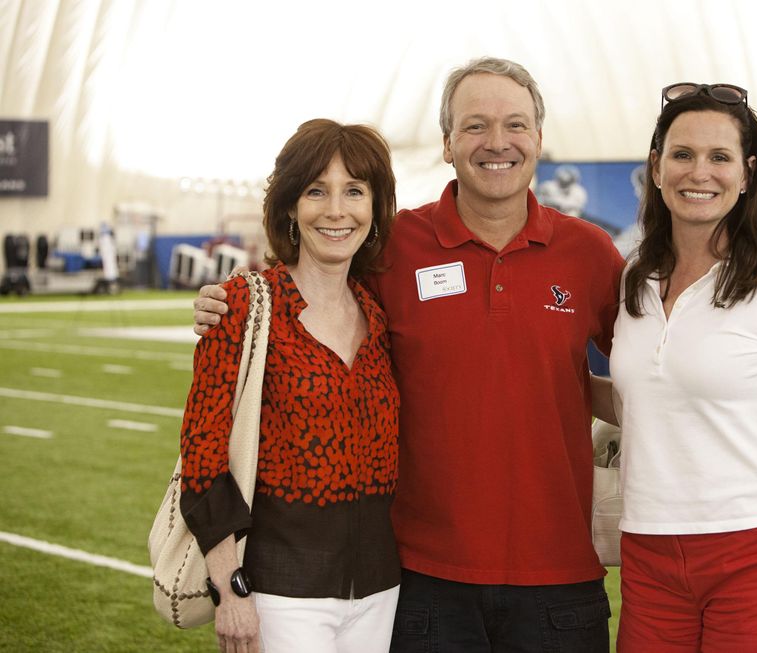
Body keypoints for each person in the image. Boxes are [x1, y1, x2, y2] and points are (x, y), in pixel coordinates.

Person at [194, 57, 623, 652]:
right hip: (424, 584)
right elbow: (311, 297)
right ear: (447, 143)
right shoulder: (393, 249)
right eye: (475, 126)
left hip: (560, 581)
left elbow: (651, 368)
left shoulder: (591, 253)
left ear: (540, 139)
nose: (496, 142)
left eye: (515, 125)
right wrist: (229, 304)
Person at [592, 83, 757, 652]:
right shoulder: (633, 278)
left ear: (748, 172)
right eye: (683, 155)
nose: (700, 173)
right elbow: (638, 404)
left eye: (720, 157)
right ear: (657, 168)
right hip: (648, 549)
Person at [180, 119, 401, 653]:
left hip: (381, 590)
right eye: (316, 191)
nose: (336, 210)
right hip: (280, 592)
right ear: (289, 208)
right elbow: (201, 460)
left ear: (374, 209)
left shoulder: (379, 312)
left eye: (354, 191)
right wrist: (232, 593)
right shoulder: (243, 307)